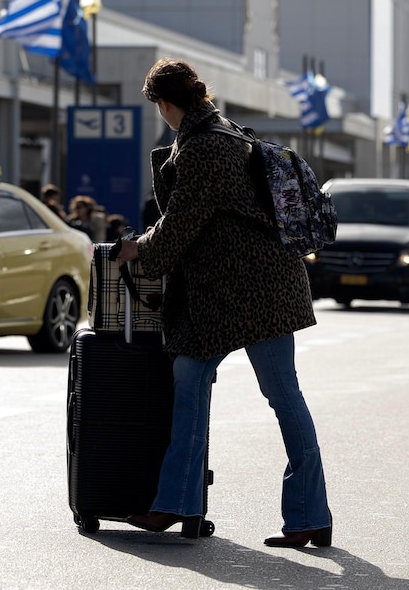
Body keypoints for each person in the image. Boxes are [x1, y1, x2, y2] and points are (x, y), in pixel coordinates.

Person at [115, 58, 331, 547]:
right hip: (256, 289)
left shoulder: (204, 147)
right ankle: (187, 503)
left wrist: (137, 249)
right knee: (254, 390)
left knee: (227, 386)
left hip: (243, 293)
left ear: (164, 103)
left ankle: (189, 505)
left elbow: (180, 224)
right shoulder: (228, 133)